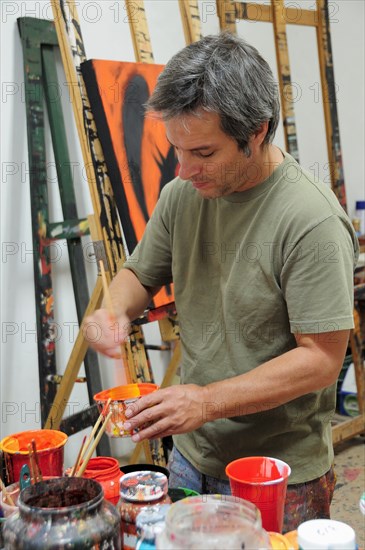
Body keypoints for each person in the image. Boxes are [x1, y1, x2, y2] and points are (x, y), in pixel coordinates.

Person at [84, 32, 359, 531]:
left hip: (278, 471)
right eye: (177, 150)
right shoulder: (181, 196)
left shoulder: (311, 221)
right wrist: (113, 312)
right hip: (192, 452)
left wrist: (206, 401)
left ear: (257, 132)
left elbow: (321, 359)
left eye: (204, 153)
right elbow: (138, 274)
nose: (185, 170)